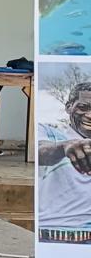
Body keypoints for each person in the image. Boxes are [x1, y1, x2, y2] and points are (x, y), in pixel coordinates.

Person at [38, 81, 91, 231]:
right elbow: (41, 151)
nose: (90, 115)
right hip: (53, 231)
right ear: (69, 107)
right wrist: (64, 148)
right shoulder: (49, 133)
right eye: (83, 107)